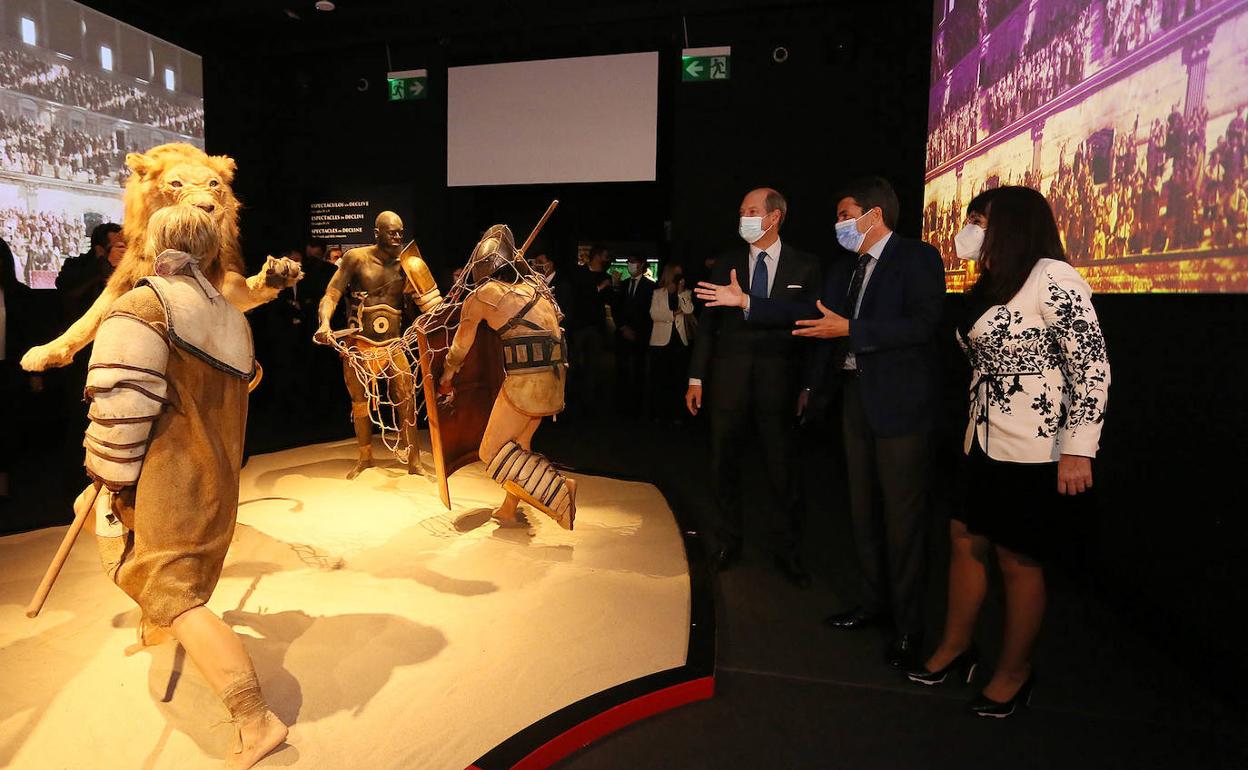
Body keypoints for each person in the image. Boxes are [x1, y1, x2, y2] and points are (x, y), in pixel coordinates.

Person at [701, 176, 945, 666]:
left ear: (873, 215)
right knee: (862, 512)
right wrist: (748, 302)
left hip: (897, 405)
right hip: (853, 401)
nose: (838, 224)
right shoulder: (845, 269)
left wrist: (852, 329)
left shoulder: (917, 258)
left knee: (901, 520)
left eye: (843, 214)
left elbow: (923, 324)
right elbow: (804, 313)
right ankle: (873, 604)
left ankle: (908, 626)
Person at [83, 205, 287, 768]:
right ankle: (159, 629)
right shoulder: (228, 315)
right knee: (159, 572)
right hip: (216, 475)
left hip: (170, 477)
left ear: (153, 244)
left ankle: (256, 721)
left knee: (176, 592)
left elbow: (121, 408)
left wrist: (110, 475)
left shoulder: (145, 307)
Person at [908, 186, 1110, 718]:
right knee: (963, 539)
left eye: (979, 219)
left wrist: (1078, 450)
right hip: (981, 436)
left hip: (1036, 447)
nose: (968, 228)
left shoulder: (1053, 276)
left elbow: (1090, 367)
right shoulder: (990, 284)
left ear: (1012, 225)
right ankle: (956, 647)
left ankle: (1015, 672)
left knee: (1016, 558)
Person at [686, 187, 820, 587]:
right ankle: (729, 541)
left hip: (780, 385)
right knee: (723, 466)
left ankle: (788, 552)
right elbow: (707, 328)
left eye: (752, 210)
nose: (743, 216)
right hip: (728, 383)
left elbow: (809, 321)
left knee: (783, 473)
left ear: (774, 217)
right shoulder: (725, 263)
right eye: (741, 209)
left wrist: (810, 385)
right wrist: (696, 378)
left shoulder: (806, 266)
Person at [438, 225, 576, 529]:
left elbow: (460, 348)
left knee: (490, 451)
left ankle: (558, 489)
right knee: (519, 444)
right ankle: (509, 507)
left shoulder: (485, 295)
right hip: (555, 381)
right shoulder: (537, 288)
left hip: (525, 384)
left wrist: (447, 375)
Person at [315, 212, 442, 478]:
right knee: (360, 403)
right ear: (377, 233)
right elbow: (331, 293)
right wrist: (325, 323)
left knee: (406, 399)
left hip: (394, 343)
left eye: (400, 232)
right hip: (360, 343)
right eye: (391, 232)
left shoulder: (409, 264)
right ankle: (365, 457)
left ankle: (414, 460)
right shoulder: (355, 258)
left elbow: (433, 307)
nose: (397, 237)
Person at [567, 245, 613, 415]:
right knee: (572, 363)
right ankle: (567, 399)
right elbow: (581, 296)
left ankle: (588, 402)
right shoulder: (580, 274)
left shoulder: (606, 276)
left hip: (596, 327)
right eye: (605, 256)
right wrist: (600, 288)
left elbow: (608, 300)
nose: (607, 260)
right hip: (580, 325)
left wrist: (611, 287)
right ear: (596, 256)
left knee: (592, 365)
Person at [648, 263, 694, 423]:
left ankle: (677, 414)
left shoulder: (686, 293)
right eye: (676, 275)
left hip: (679, 341)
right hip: (660, 342)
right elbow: (654, 314)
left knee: (678, 378)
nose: (678, 279)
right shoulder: (658, 293)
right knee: (660, 378)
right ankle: (659, 412)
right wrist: (673, 314)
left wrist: (681, 293)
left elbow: (688, 310)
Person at [56, 222, 124, 323]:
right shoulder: (76, 265)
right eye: (117, 247)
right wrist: (106, 264)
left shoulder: (127, 268)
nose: (122, 252)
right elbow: (68, 288)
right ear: (99, 250)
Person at [613, 256, 655, 404]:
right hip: (623, 333)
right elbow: (616, 308)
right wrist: (623, 327)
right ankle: (621, 402)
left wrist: (638, 332)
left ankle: (637, 404)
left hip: (640, 334)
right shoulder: (622, 285)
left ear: (641, 264)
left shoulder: (650, 286)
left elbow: (650, 312)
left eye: (633, 262)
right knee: (622, 368)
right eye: (628, 262)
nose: (630, 265)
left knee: (639, 369)